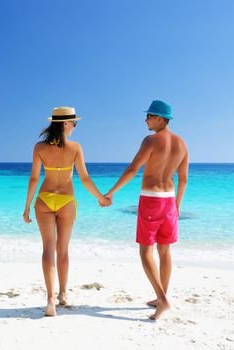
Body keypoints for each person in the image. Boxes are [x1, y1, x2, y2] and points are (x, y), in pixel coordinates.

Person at [23, 106, 111, 317]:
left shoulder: (39, 147)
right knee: (62, 250)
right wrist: (101, 198)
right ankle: (62, 294)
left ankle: (50, 300)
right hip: (66, 202)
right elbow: (85, 178)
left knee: (48, 248)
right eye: (74, 122)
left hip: (44, 200)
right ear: (64, 123)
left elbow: (34, 178)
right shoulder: (75, 148)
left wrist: (26, 207)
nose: (75, 126)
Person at [105, 100, 189, 320]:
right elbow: (183, 179)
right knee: (165, 250)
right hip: (170, 201)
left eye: (149, 116)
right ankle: (161, 296)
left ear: (160, 118)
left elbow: (133, 169)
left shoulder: (150, 140)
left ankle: (162, 300)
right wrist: (177, 205)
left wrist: (112, 191)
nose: (145, 120)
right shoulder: (182, 144)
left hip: (151, 200)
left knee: (145, 251)